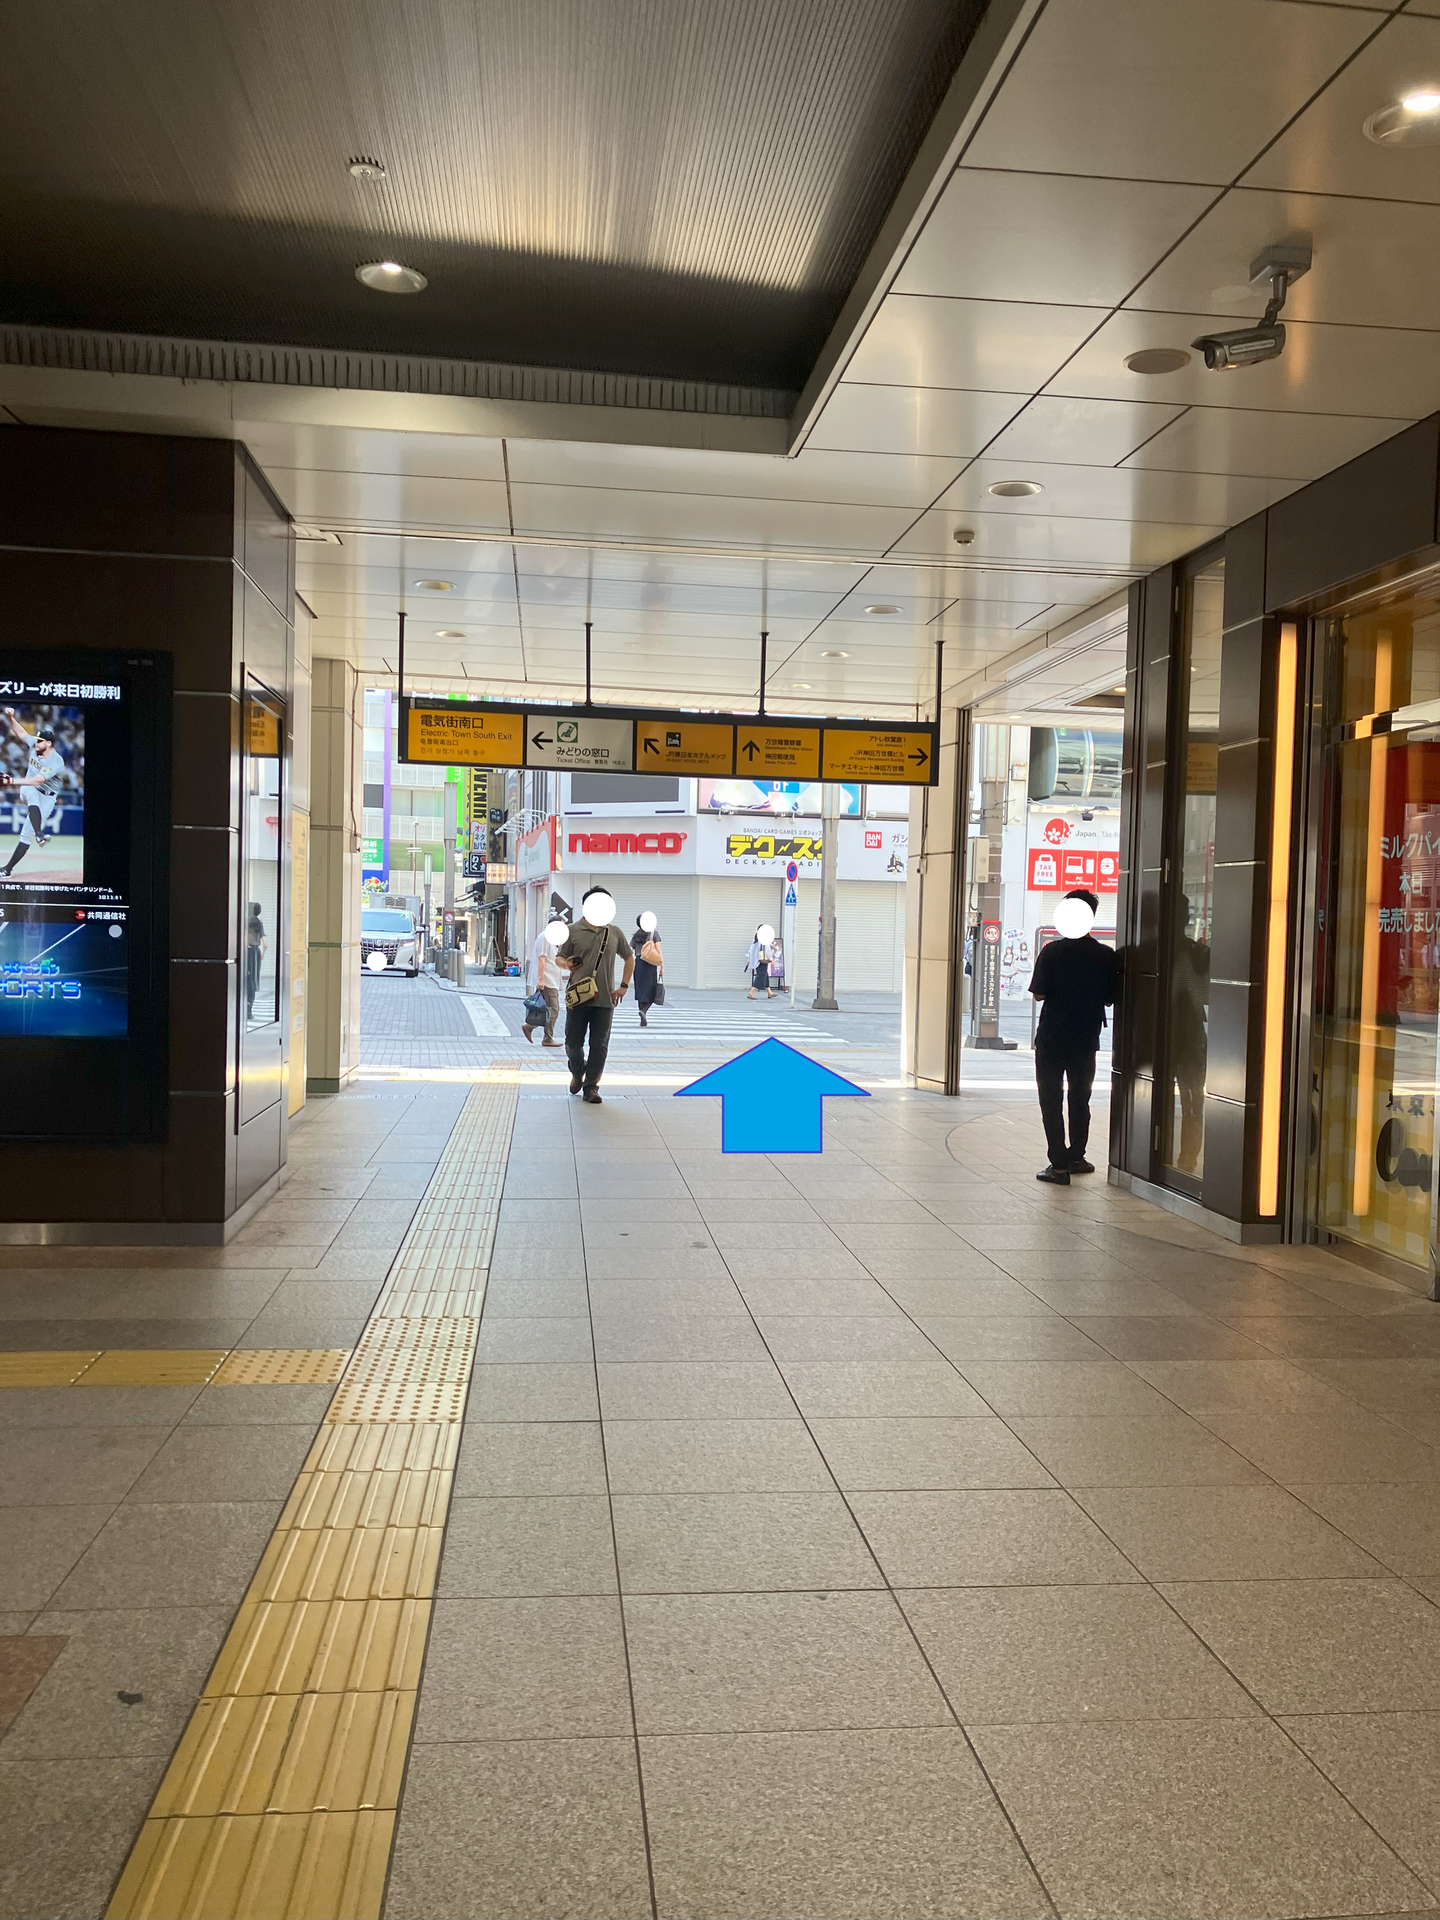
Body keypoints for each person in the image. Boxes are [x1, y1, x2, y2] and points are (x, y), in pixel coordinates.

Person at [1027, 888, 1118, 1185]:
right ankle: (1077, 1157)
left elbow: (1038, 993)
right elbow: (1110, 999)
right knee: (1080, 1098)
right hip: (1086, 1038)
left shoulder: (1052, 952)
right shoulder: (1105, 955)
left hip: (1052, 1037)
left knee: (1051, 1100)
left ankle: (1059, 1166)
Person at [555, 887, 634, 1104]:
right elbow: (559, 957)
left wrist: (624, 985)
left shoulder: (614, 932)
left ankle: (591, 1087)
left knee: (599, 1046)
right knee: (573, 1044)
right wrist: (566, 964)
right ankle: (577, 1071)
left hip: (605, 999)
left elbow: (629, 958)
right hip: (578, 999)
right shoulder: (572, 930)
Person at [0, 708, 66, 877]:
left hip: (48, 798)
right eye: (36, 740)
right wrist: (11, 718)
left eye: (40, 741)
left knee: (25, 835)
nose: (36, 743)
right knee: (31, 792)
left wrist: (11, 781)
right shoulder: (34, 746)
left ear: (48, 743)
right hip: (29, 789)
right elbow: (21, 733)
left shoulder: (56, 761)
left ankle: (7, 869)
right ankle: (40, 835)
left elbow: (39, 780)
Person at [522, 921, 563, 1047]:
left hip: (551, 980)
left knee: (547, 1009)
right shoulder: (545, 937)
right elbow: (542, 959)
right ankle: (547, 1037)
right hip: (547, 980)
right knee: (553, 1009)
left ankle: (531, 1026)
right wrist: (541, 980)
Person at [633, 913, 663, 1027]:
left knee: (640, 990)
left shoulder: (637, 935)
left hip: (638, 963)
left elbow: (630, 949)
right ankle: (644, 1011)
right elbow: (658, 951)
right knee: (652, 990)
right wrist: (662, 966)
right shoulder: (653, 933)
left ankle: (642, 1016)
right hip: (650, 964)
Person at [245, 901, 267, 1019]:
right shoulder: (259, 923)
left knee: (245, 978)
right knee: (253, 980)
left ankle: (242, 1007)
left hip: (247, 952)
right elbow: (265, 944)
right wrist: (262, 954)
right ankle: (249, 1010)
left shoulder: (245, 922)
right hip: (255, 952)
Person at [746, 925, 775, 999]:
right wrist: (771, 959)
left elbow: (751, 951)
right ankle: (751, 992)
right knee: (760, 976)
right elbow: (767, 950)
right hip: (762, 961)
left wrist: (749, 960)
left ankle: (769, 992)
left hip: (756, 961)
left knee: (765, 975)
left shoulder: (755, 939)